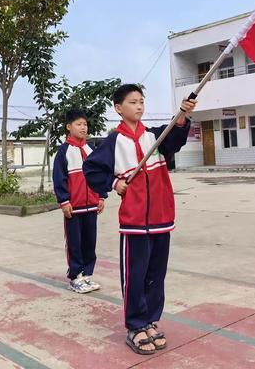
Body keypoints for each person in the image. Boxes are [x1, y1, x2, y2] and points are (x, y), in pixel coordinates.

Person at [83, 84, 195, 355]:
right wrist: (113, 183)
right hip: (134, 222)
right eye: (133, 102)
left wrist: (182, 117)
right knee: (135, 276)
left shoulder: (154, 137)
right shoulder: (113, 143)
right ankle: (135, 325)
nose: (139, 106)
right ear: (119, 108)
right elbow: (92, 169)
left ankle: (151, 320)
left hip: (162, 217)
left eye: (142, 101)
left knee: (157, 274)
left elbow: (175, 141)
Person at [53, 109, 106, 293]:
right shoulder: (63, 151)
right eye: (78, 124)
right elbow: (59, 178)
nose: (83, 127)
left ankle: (87, 275)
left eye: (85, 124)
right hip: (73, 208)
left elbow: (99, 175)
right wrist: (64, 201)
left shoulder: (91, 150)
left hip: (91, 205)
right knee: (74, 243)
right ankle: (75, 277)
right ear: (69, 127)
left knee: (90, 242)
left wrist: (101, 196)